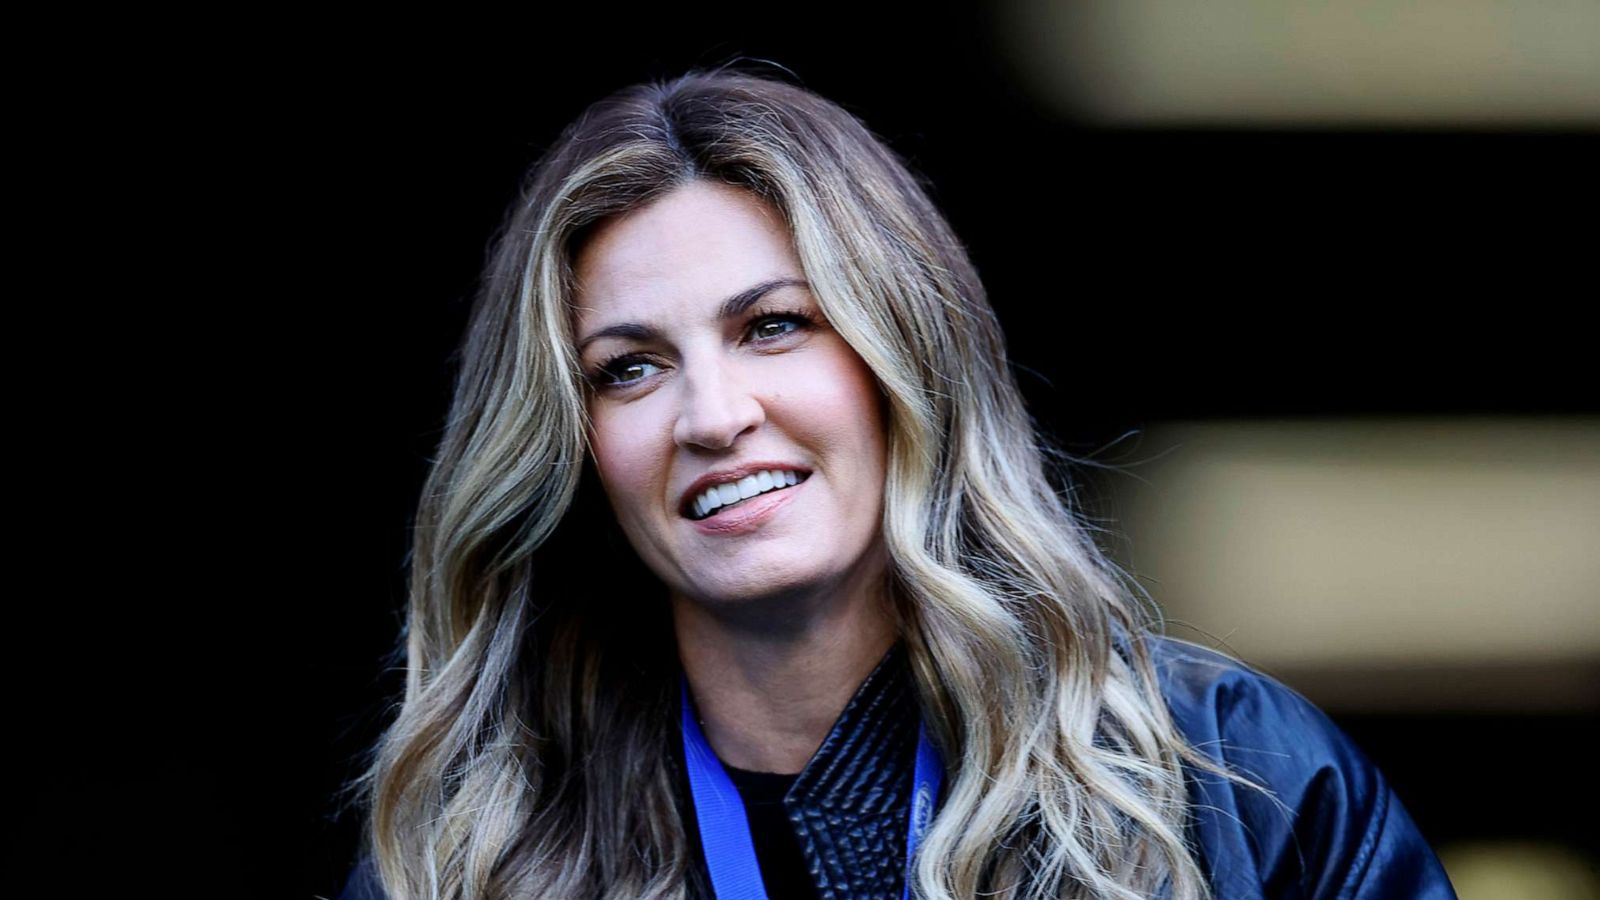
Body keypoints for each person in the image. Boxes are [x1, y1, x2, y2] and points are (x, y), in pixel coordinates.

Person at [340, 67, 1456, 900]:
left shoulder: (1233, 782)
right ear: (571, 445)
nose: (715, 416)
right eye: (628, 369)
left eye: (775, 327)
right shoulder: (466, 851)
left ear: (903, 358)